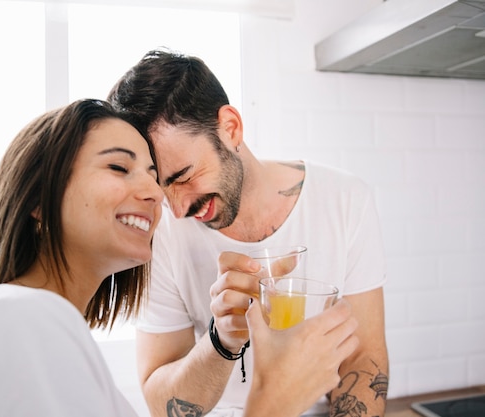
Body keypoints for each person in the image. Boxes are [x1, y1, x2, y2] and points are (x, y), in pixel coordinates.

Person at [0, 99, 359, 417]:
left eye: (154, 174)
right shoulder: (16, 321)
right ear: (37, 198)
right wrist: (273, 400)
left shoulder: (39, 325)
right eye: (118, 167)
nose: (156, 195)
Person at [108, 48, 389, 417]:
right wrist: (221, 341)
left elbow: (364, 359)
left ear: (230, 128)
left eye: (185, 176)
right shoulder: (161, 235)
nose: (177, 211)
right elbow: (162, 403)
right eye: (163, 190)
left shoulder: (345, 200)